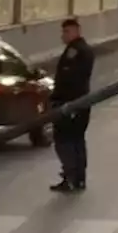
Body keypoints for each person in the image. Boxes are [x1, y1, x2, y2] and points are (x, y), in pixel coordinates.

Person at [50, 18, 94, 193]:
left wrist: (60, 101)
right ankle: (78, 178)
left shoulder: (76, 51)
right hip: (80, 102)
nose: (63, 36)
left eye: (67, 31)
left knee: (65, 141)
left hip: (70, 104)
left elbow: (69, 79)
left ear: (76, 31)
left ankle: (71, 176)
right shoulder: (83, 50)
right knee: (76, 140)